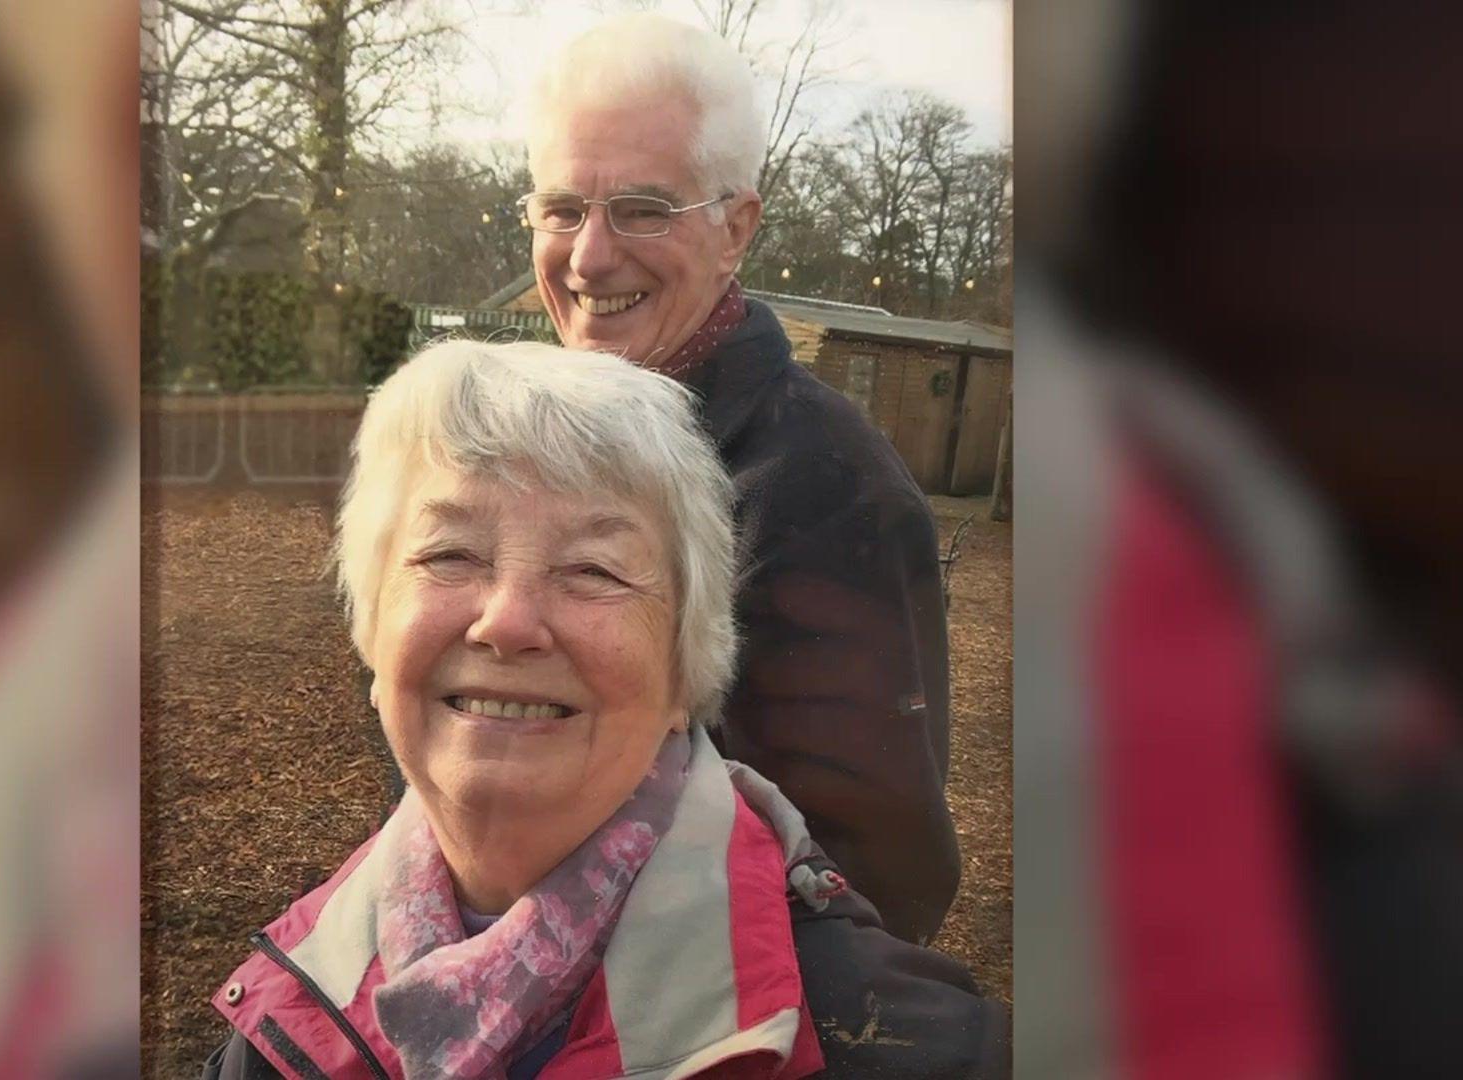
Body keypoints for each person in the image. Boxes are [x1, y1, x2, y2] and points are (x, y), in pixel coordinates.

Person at [200, 340, 1005, 1079]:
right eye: (449, 554)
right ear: (373, 635)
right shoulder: (291, 1004)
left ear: (682, 669)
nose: (506, 622)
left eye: (593, 569)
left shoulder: (887, 1043)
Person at [515, 13, 958, 944]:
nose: (590, 257)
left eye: (642, 210)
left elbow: (875, 880)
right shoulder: (544, 455)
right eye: (562, 209)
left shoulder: (828, 497)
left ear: (735, 230)